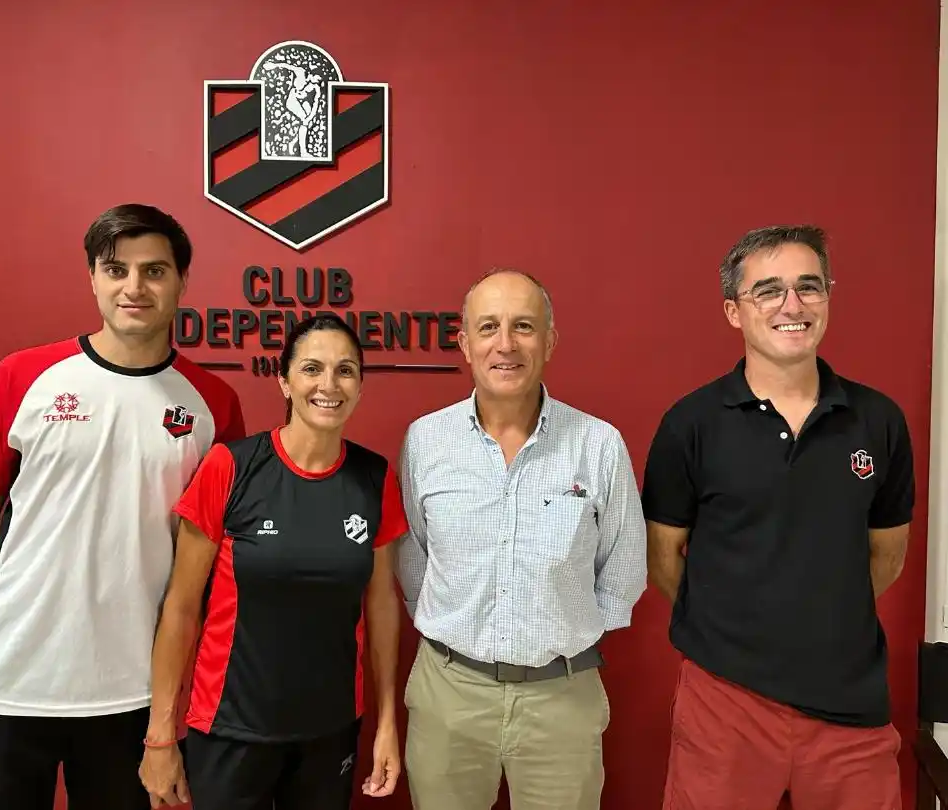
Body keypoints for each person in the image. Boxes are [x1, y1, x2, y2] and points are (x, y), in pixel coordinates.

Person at [0, 203, 247, 810]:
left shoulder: (213, 404)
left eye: (154, 271)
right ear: (92, 278)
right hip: (2, 687)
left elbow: (209, 569)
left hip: (131, 703)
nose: (134, 287)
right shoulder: (25, 377)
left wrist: (178, 711)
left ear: (181, 282)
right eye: (116, 269)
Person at [641, 224, 913, 810]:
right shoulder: (690, 425)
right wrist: (735, 623)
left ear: (827, 299)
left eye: (808, 287)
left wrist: (821, 614)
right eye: (768, 291)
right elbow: (662, 559)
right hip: (725, 704)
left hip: (850, 708)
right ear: (734, 312)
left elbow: (887, 556)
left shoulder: (879, 422)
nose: (792, 305)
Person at [395, 268, 648, 810]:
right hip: (449, 695)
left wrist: (562, 631)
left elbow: (624, 567)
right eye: (488, 328)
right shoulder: (425, 441)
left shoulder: (598, 445)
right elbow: (413, 555)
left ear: (550, 341)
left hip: (563, 698)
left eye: (524, 327)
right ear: (464, 343)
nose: (505, 345)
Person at [137, 314, 406, 810]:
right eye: (311, 369)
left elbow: (381, 604)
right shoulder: (231, 467)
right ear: (284, 379)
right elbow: (180, 607)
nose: (329, 385)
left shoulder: (374, 477)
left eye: (345, 370)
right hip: (229, 730)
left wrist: (387, 721)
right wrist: (159, 735)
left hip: (328, 733)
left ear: (361, 385)